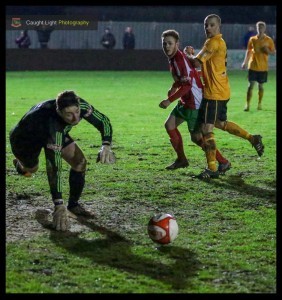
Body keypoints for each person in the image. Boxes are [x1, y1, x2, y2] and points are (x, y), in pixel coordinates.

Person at [10, 90, 116, 231]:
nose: (75, 118)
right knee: (32, 169)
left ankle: (74, 205)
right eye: (69, 114)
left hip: (55, 133)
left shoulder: (80, 105)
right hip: (25, 140)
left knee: (80, 162)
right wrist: (58, 204)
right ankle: (21, 165)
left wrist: (106, 145)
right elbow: (54, 167)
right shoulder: (52, 124)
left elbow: (103, 120)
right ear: (59, 112)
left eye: (77, 112)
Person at [185, 14, 264, 179]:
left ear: (218, 26)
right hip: (221, 91)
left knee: (206, 130)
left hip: (214, 94)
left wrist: (188, 54)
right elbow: (209, 66)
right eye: (206, 25)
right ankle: (252, 138)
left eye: (212, 25)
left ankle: (213, 168)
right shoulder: (221, 42)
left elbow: (197, 63)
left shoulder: (212, 42)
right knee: (220, 123)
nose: (208, 28)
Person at [159, 29, 230, 173]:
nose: (167, 46)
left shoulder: (179, 59)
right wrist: (173, 87)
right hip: (185, 101)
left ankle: (223, 162)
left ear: (177, 44)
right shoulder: (174, 58)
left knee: (197, 138)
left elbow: (188, 85)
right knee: (169, 125)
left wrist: (169, 100)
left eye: (170, 43)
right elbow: (185, 78)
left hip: (194, 103)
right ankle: (181, 160)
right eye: (164, 43)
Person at [241, 21, 276, 111]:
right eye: (258, 28)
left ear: (264, 29)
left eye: (261, 28)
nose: (260, 29)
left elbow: (273, 53)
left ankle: (259, 104)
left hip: (263, 67)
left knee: (260, 86)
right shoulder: (252, 39)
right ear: (256, 28)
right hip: (252, 66)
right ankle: (247, 105)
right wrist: (245, 62)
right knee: (250, 85)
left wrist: (268, 51)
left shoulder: (269, 40)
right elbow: (248, 51)